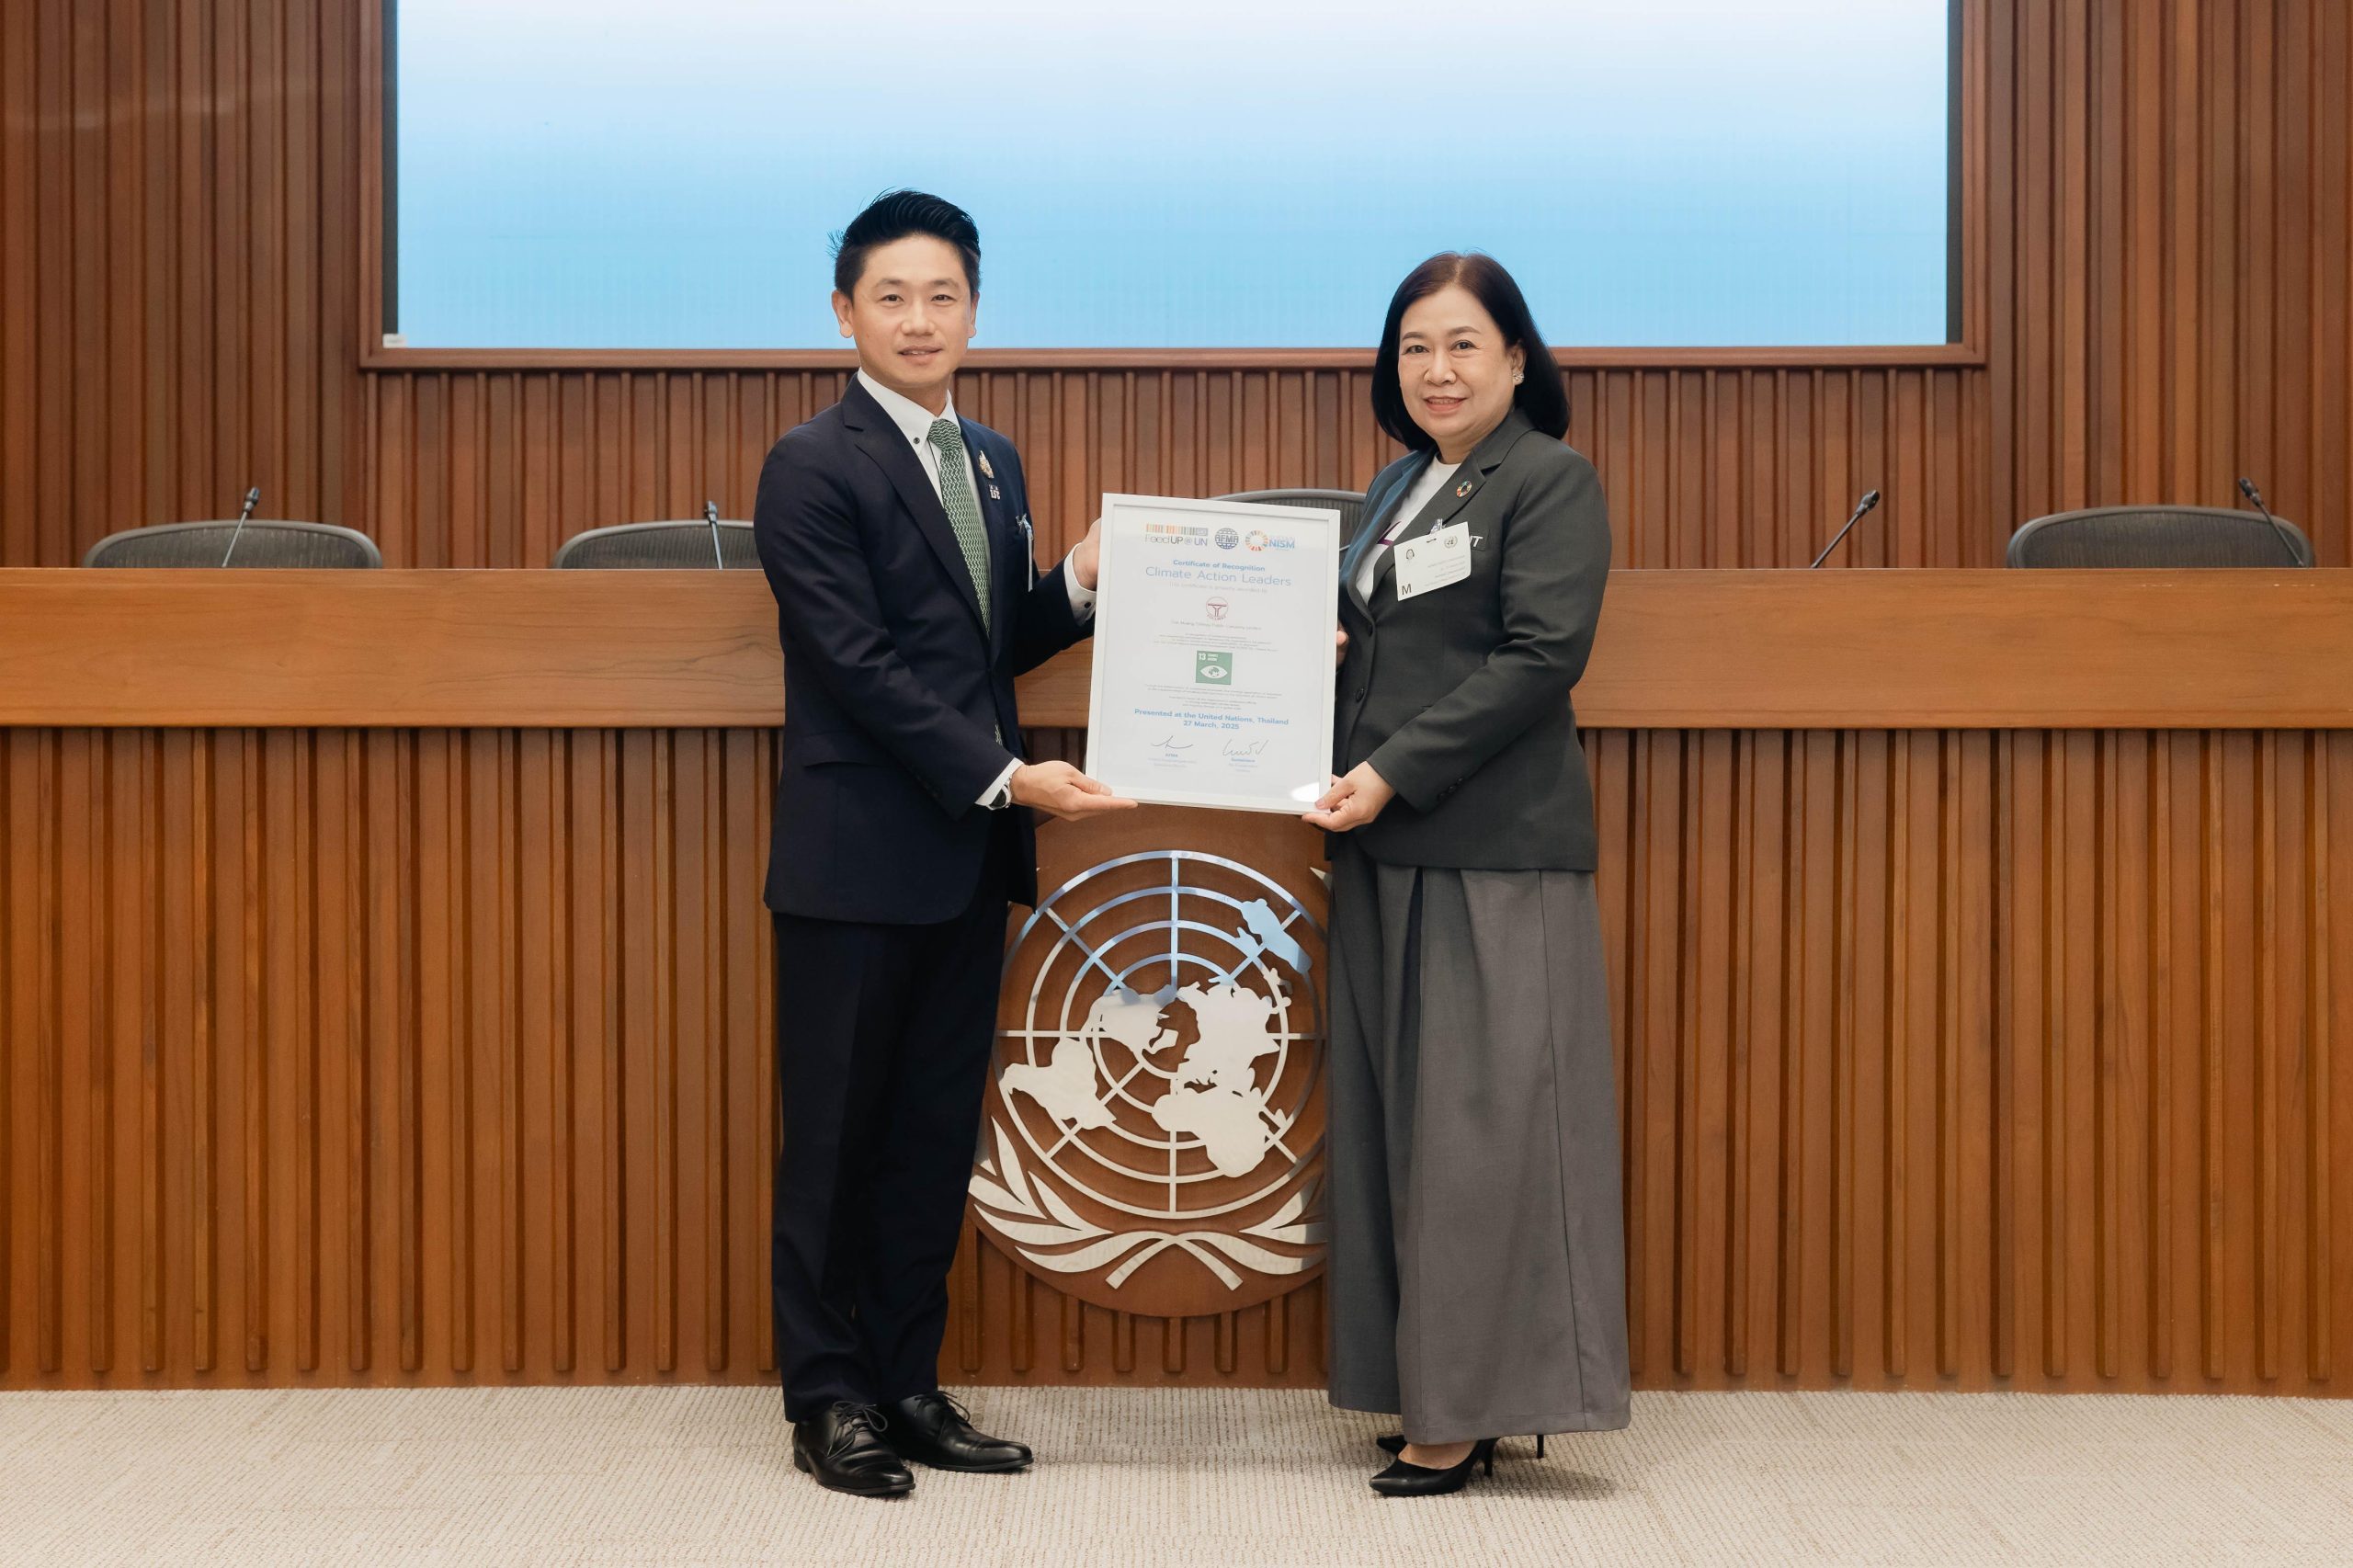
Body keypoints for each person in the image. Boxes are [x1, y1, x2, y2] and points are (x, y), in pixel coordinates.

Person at [753, 190, 1135, 1498]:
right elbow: (854, 664)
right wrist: (1007, 776)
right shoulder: (811, 463)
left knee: (928, 1140)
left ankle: (908, 1384)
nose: (920, 320)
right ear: (844, 313)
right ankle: (828, 1399)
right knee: (835, 1144)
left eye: (944, 296)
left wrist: (1077, 580)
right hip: (857, 861)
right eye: (892, 297)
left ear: (974, 309)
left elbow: (986, 648)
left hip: (965, 863)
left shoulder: (991, 459)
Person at [1305, 252, 1628, 1497]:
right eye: (1414, 347)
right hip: (1382, 846)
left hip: (1492, 851)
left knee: (1485, 1137)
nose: (1435, 370)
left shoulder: (1548, 479)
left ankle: (1471, 1411)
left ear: (1515, 358)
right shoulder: (1396, 487)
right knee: (1402, 1134)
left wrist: (1389, 769)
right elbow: (1384, 641)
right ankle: (1428, 1385)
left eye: (1461, 345)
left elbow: (1541, 656)